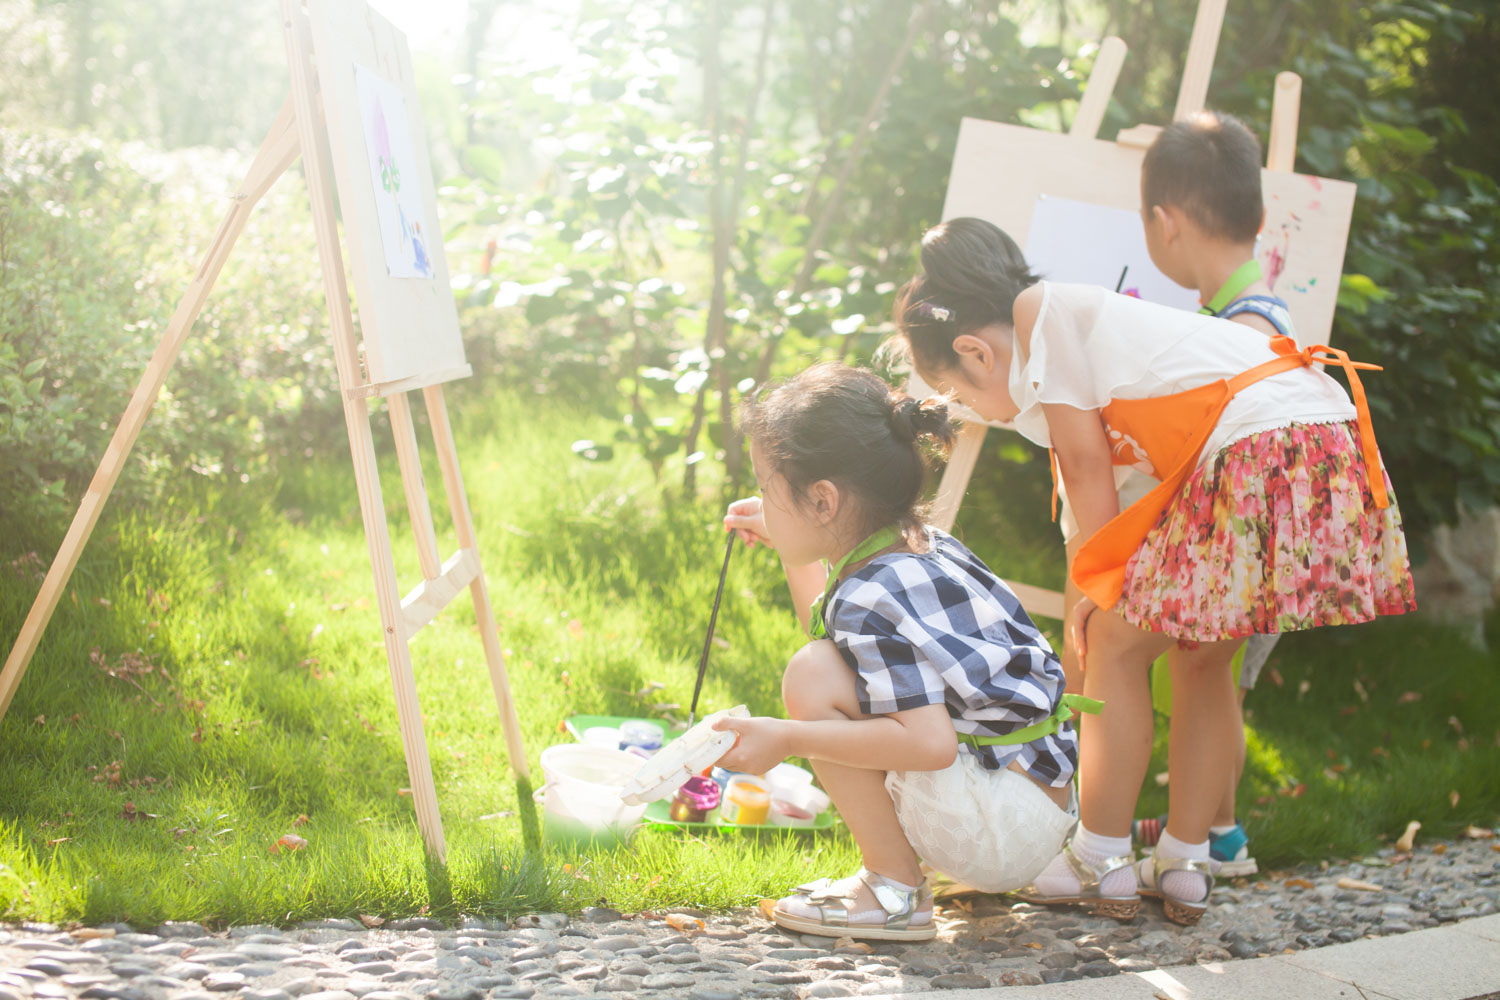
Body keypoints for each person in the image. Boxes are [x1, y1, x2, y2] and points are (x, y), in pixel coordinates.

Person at [892, 217, 1415, 925]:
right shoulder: (1093, 333)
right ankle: (1185, 860)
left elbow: (1085, 472)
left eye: (961, 393)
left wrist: (1098, 596)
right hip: (1317, 440)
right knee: (1202, 660)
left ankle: (1098, 855)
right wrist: (1104, 578)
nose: (971, 409)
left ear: (975, 353)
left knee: (1111, 644)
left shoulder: (1039, 314)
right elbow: (1126, 497)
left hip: (1250, 445)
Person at [716, 362, 1086, 942]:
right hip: (1034, 804)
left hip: (997, 829)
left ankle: (894, 889)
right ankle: (898, 882)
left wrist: (786, 738)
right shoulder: (917, 547)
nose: (761, 498)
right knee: (819, 671)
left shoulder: (872, 593)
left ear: (823, 501)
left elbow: (927, 744)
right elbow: (840, 652)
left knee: (809, 676)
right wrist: (789, 537)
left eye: (768, 486)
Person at [1128, 110, 1302, 875]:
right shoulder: (1259, 314)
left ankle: (1191, 844)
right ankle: (1218, 833)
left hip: (1231, 544)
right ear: (1257, 216)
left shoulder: (1234, 331)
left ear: (1164, 226)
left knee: (1189, 670)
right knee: (1212, 678)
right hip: (1259, 542)